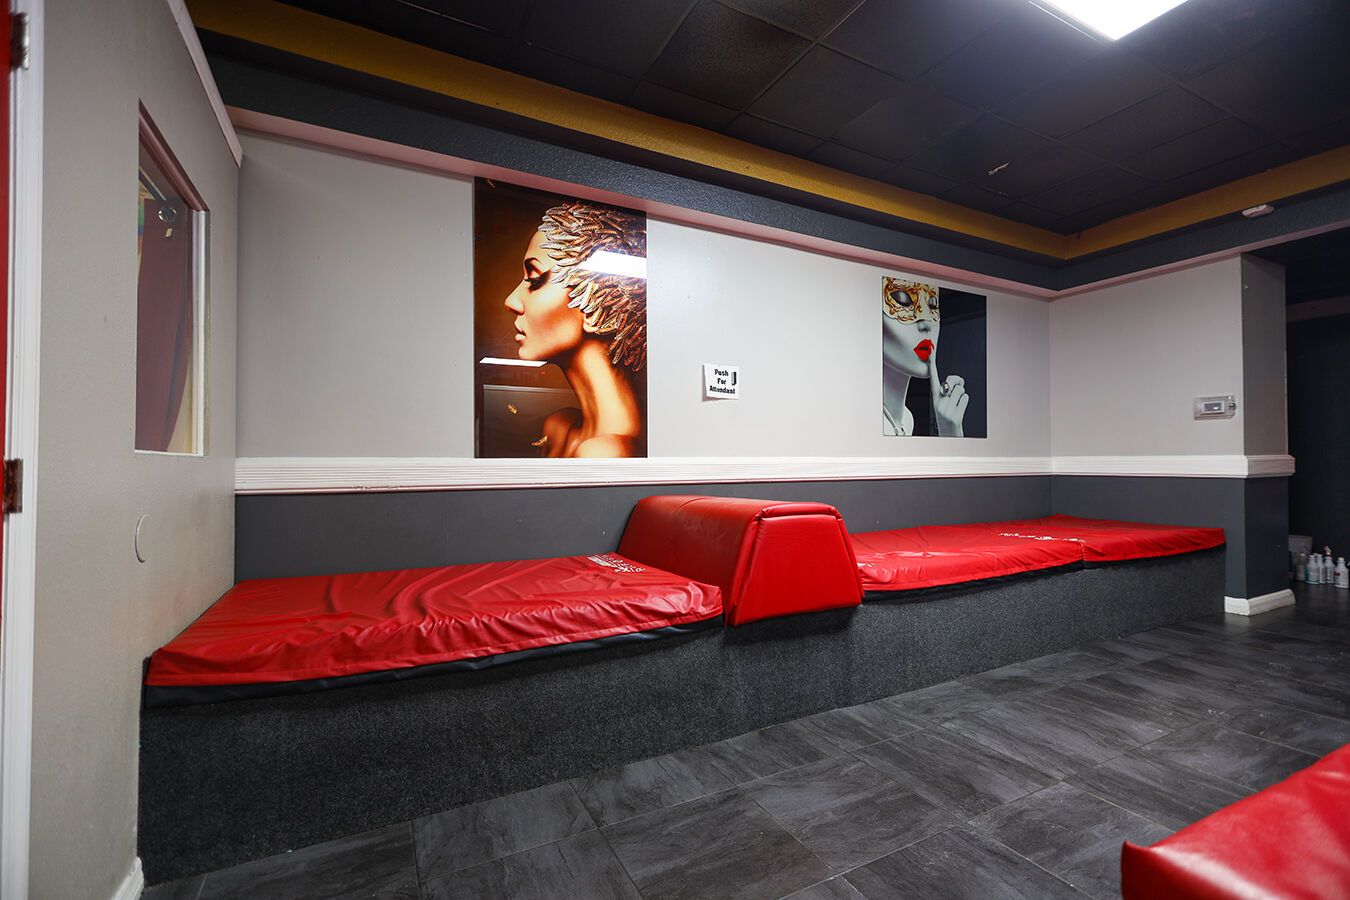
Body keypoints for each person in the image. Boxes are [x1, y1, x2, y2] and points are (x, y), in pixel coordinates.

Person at [504, 202, 647, 457]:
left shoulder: (605, 453)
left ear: (594, 309)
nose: (511, 301)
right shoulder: (561, 428)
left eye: (535, 280)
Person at [881, 277, 968, 437]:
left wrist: (949, 430)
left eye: (932, 305)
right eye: (903, 300)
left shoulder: (907, 419)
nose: (927, 323)